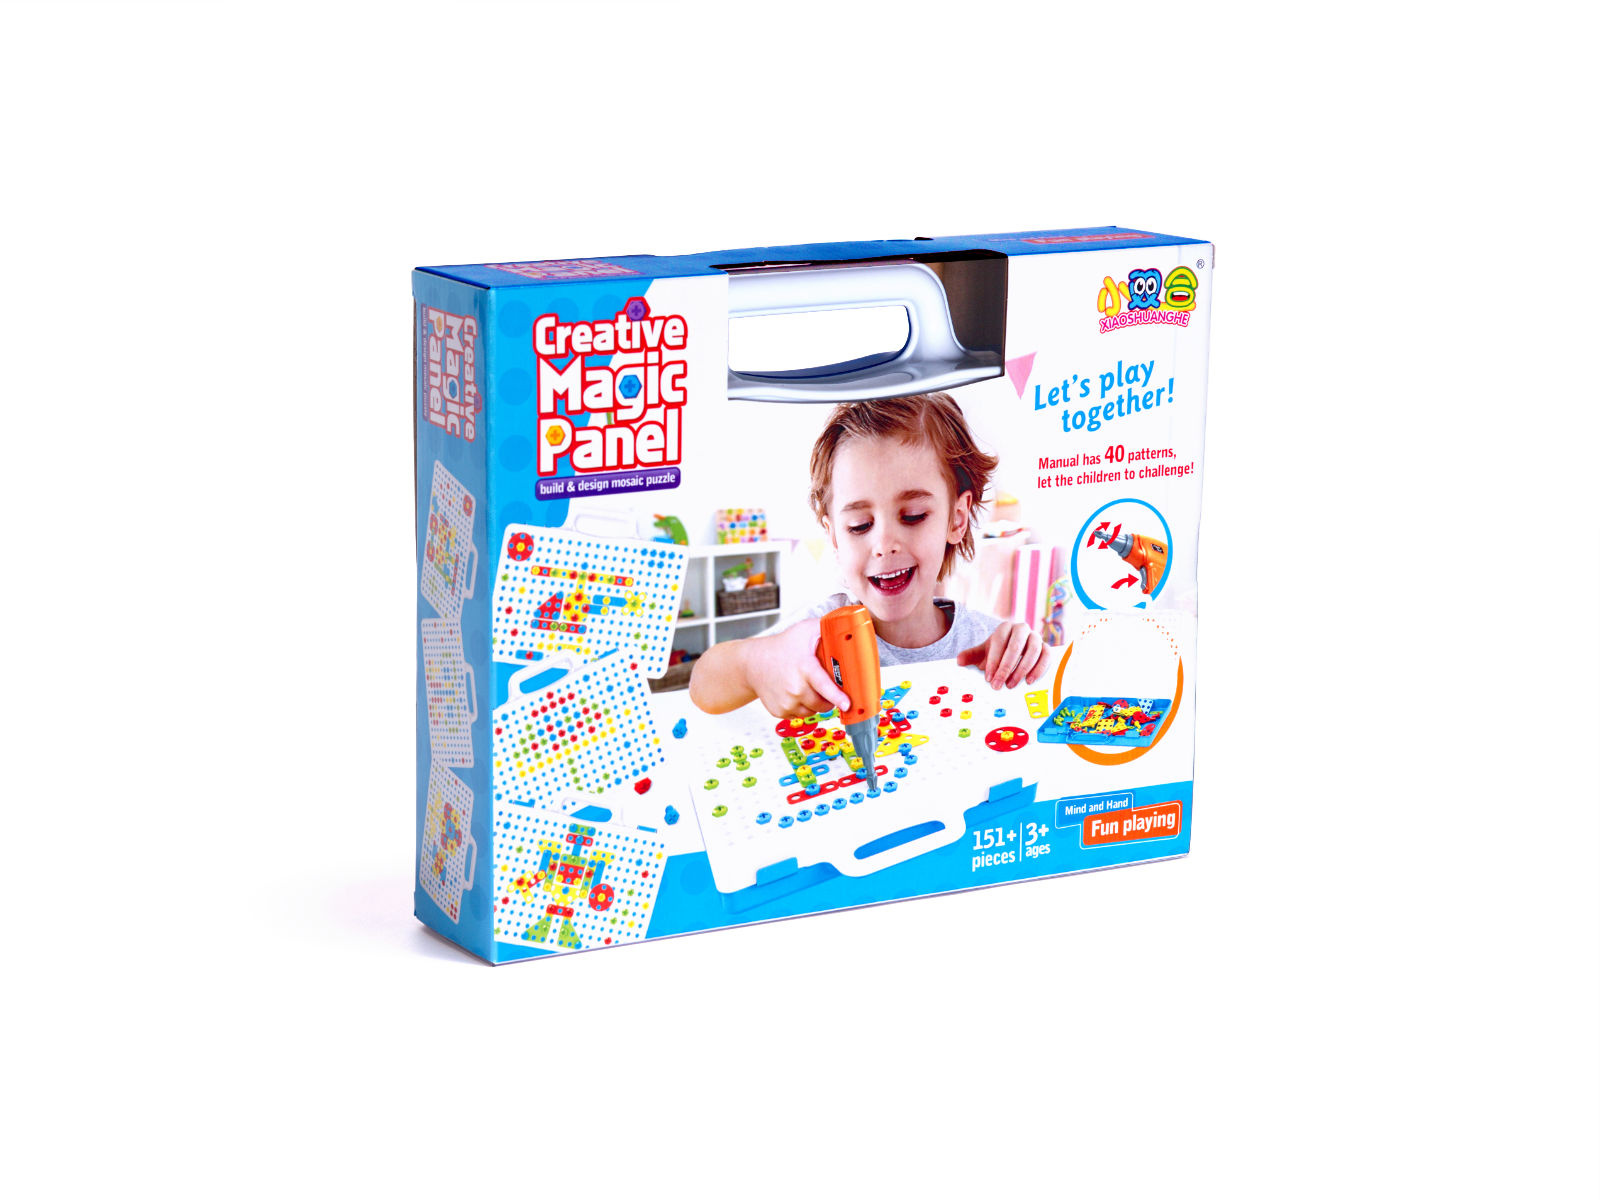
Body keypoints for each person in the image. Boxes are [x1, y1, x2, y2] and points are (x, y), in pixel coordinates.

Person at [690, 392, 1046, 717]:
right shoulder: (813, 637)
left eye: (913, 516)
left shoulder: (986, 643)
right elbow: (702, 685)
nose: (884, 544)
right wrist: (754, 663)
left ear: (956, 518)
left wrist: (1027, 655)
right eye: (859, 525)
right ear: (834, 535)